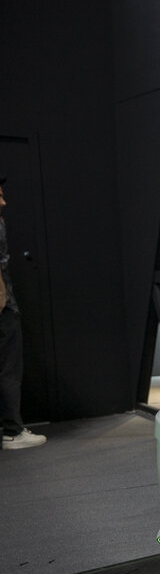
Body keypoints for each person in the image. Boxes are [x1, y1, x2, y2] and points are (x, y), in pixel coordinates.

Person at [0, 177, 47, 450]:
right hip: (4, 309)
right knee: (8, 369)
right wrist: (4, 303)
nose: (4, 202)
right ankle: (12, 432)